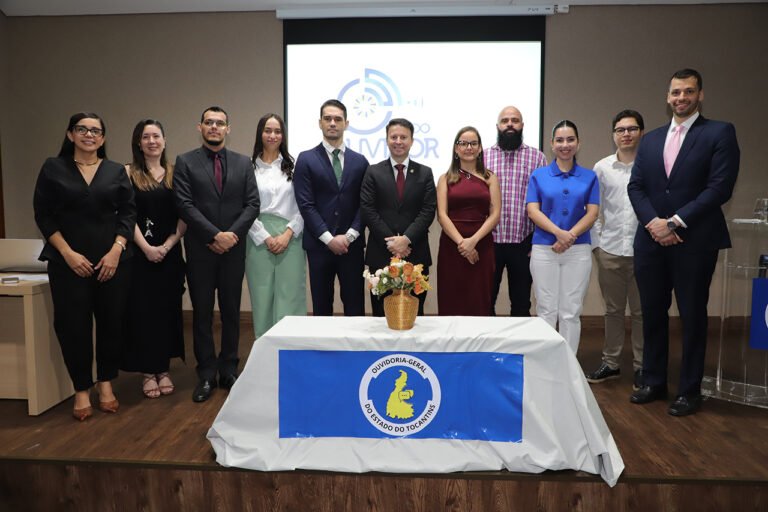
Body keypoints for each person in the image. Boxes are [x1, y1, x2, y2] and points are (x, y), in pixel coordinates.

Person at [628, 69, 740, 416]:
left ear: (700, 95)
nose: (681, 98)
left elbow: (720, 187)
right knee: (652, 313)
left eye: (688, 92)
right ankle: (654, 381)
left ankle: (690, 389)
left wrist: (675, 222)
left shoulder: (719, 132)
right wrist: (653, 224)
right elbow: (637, 187)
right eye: (675, 92)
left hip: (695, 239)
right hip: (651, 240)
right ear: (667, 96)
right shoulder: (650, 140)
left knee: (692, 315)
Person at [33, 112, 136, 421]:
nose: (89, 135)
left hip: (112, 263)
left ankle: (105, 384)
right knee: (72, 326)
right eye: (82, 129)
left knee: (110, 324)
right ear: (70, 134)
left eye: (95, 131)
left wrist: (116, 251)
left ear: (103, 138)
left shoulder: (116, 171)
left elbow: (128, 214)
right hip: (68, 263)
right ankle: (81, 388)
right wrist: (67, 254)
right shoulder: (54, 168)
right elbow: (43, 215)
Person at [173, 106, 260, 403]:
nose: (214, 127)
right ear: (200, 127)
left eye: (219, 123)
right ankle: (207, 374)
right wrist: (214, 235)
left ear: (228, 129)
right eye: (209, 123)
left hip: (233, 249)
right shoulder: (185, 162)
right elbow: (184, 204)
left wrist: (231, 236)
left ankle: (229, 370)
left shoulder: (242, 163)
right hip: (201, 249)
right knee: (202, 313)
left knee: (232, 311)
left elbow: (252, 204)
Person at [122, 119, 186, 399]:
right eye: (145, 137)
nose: (151, 141)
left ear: (164, 140)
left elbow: (186, 214)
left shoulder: (175, 173)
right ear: (138, 142)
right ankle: (148, 372)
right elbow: (125, 214)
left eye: (156, 136)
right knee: (143, 313)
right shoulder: (127, 173)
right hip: (139, 255)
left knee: (167, 311)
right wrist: (147, 248)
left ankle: (164, 369)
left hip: (170, 254)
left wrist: (169, 244)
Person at [526, 120, 599, 354]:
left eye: (570, 140)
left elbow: (593, 212)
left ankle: (568, 363)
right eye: (559, 140)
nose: (565, 145)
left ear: (578, 143)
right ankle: (546, 360)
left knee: (570, 311)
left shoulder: (590, 177)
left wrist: (570, 236)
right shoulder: (538, 175)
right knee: (546, 309)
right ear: (551, 144)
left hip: (578, 251)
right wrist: (559, 233)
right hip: (544, 249)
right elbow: (532, 210)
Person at [585, 110, 645, 390]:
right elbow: (595, 212)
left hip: (644, 252)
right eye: (620, 130)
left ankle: (643, 366)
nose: (626, 134)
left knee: (642, 311)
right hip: (609, 251)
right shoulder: (602, 167)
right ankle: (611, 363)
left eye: (632, 129)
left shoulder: (651, 165)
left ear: (640, 133)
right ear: (614, 135)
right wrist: (598, 247)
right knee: (612, 310)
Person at [293, 99, 369, 316]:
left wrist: (350, 235)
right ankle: (323, 351)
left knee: (355, 306)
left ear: (346, 123)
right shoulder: (306, 159)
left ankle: (354, 349)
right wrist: (328, 238)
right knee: (321, 306)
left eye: (338, 119)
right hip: (319, 247)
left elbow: (365, 204)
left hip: (351, 247)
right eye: (328, 119)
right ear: (320, 123)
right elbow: (305, 204)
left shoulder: (360, 161)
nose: (333, 123)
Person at [360, 118, 437, 316]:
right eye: (394, 137)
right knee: (380, 315)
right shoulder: (373, 171)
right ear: (386, 140)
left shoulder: (425, 173)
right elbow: (368, 209)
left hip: (415, 252)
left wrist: (406, 239)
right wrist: (393, 242)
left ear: (412, 141)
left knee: (415, 314)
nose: (398, 141)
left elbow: (428, 211)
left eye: (404, 137)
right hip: (381, 253)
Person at [245, 114, 306, 338]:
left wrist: (288, 233)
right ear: (260, 134)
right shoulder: (248, 168)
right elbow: (244, 207)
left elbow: (305, 205)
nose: (272, 135)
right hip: (257, 237)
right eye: (267, 130)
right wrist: (265, 236)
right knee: (262, 297)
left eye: (277, 131)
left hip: (291, 237)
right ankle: (265, 358)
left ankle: (293, 353)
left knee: (290, 295)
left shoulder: (296, 167)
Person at [484, 106, 547, 316]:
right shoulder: (482, 158)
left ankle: (518, 347)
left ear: (522, 125)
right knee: (485, 301)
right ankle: (488, 346)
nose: (509, 124)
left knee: (521, 304)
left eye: (515, 120)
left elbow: (544, 202)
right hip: (490, 242)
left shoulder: (537, 158)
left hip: (524, 242)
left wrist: (538, 239)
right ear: (497, 126)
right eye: (505, 121)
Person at [436, 126, 501, 316]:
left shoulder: (490, 178)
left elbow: (495, 214)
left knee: (479, 299)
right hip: (452, 246)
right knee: (451, 298)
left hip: (482, 245)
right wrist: (462, 243)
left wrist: (473, 242)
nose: (468, 147)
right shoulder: (444, 179)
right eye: (463, 143)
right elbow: (442, 215)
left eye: (473, 143)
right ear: (456, 149)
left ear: (480, 148)